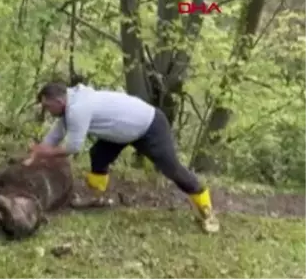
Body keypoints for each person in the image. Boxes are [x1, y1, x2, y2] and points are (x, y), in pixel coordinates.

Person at [24, 82, 220, 233]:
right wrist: (35, 155)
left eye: (48, 107)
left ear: (59, 102)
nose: (47, 112)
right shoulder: (70, 103)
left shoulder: (78, 108)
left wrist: (46, 152)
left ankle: (205, 208)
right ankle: (97, 197)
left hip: (149, 126)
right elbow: (54, 136)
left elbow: (74, 146)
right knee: (98, 154)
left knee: (172, 169)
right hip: (122, 130)